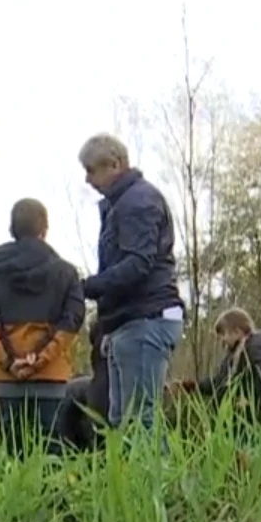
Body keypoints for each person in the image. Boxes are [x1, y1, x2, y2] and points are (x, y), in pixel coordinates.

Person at [75, 134, 184, 430]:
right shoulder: (120, 205)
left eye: (91, 170)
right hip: (129, 319)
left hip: (146, 317)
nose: (87, 180)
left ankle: (155, 478)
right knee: (123, 421)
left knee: (139, 419)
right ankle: (135, 476)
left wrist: (88, 287)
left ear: (114, 164)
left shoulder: (137, 202)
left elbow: (138, 264)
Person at [0, 199, 85, 455]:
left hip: (8, 382)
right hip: (52, 381)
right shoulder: (67, 274)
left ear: (12, 229)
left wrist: (9, 362)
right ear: (44, 230)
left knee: (11, 459)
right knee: (53, 458)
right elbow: (72, 322)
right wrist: (40, 359)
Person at [187, 308, 261, 428]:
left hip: (246, 421)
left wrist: (248, 398)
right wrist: (194, 386)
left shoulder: (252, 348)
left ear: (237, 332)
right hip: (231, 419)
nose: (223, 340)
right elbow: (221, 383)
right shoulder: (234, 354)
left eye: (224, 334)